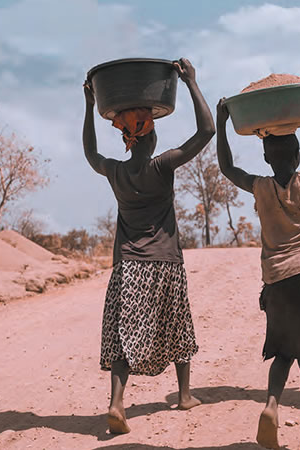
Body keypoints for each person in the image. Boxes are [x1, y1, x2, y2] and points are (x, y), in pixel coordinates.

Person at [216, 73, 300, 450]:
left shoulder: (260, 187)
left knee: (281, 351)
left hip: (276, 280)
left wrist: (223, 123)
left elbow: (227, 169)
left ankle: (272, 405)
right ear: (296, 154)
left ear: (265, 156)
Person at [83, 57, 215, 434]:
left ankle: (116, 403)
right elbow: (206, 132)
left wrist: (89, 106)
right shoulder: (163, 166)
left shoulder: (116, 171)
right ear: (151, 137)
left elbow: (90, 154)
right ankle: (185, 394)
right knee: (178, 328)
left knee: (126, 334)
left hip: (129, 265)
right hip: (165, 263)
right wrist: (191, 82)